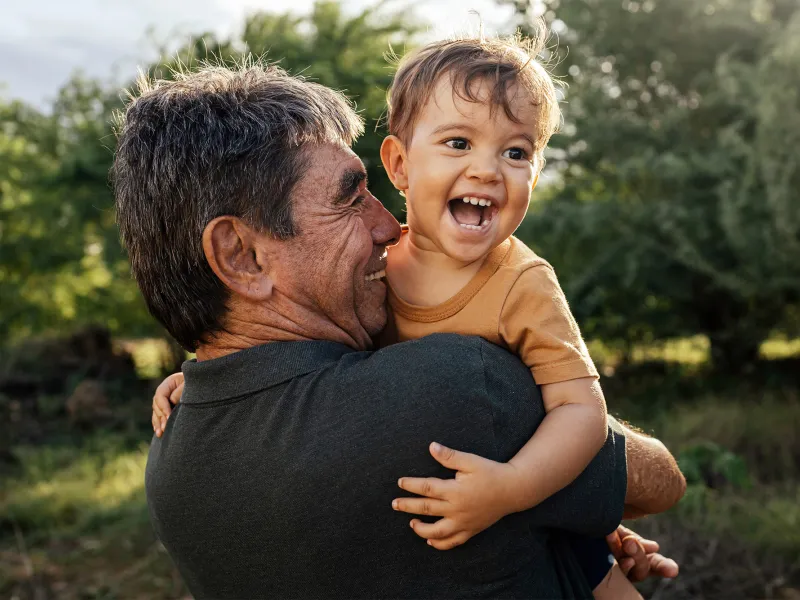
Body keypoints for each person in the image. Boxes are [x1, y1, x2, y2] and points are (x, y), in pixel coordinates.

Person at [119, 63, 685, 599]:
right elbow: (661, 482)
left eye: (515, 152)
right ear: (242, 256)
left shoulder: (171, 462)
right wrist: (564, 500)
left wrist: (565, 526)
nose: (389, 227)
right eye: (349, 199)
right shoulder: (458, 386)